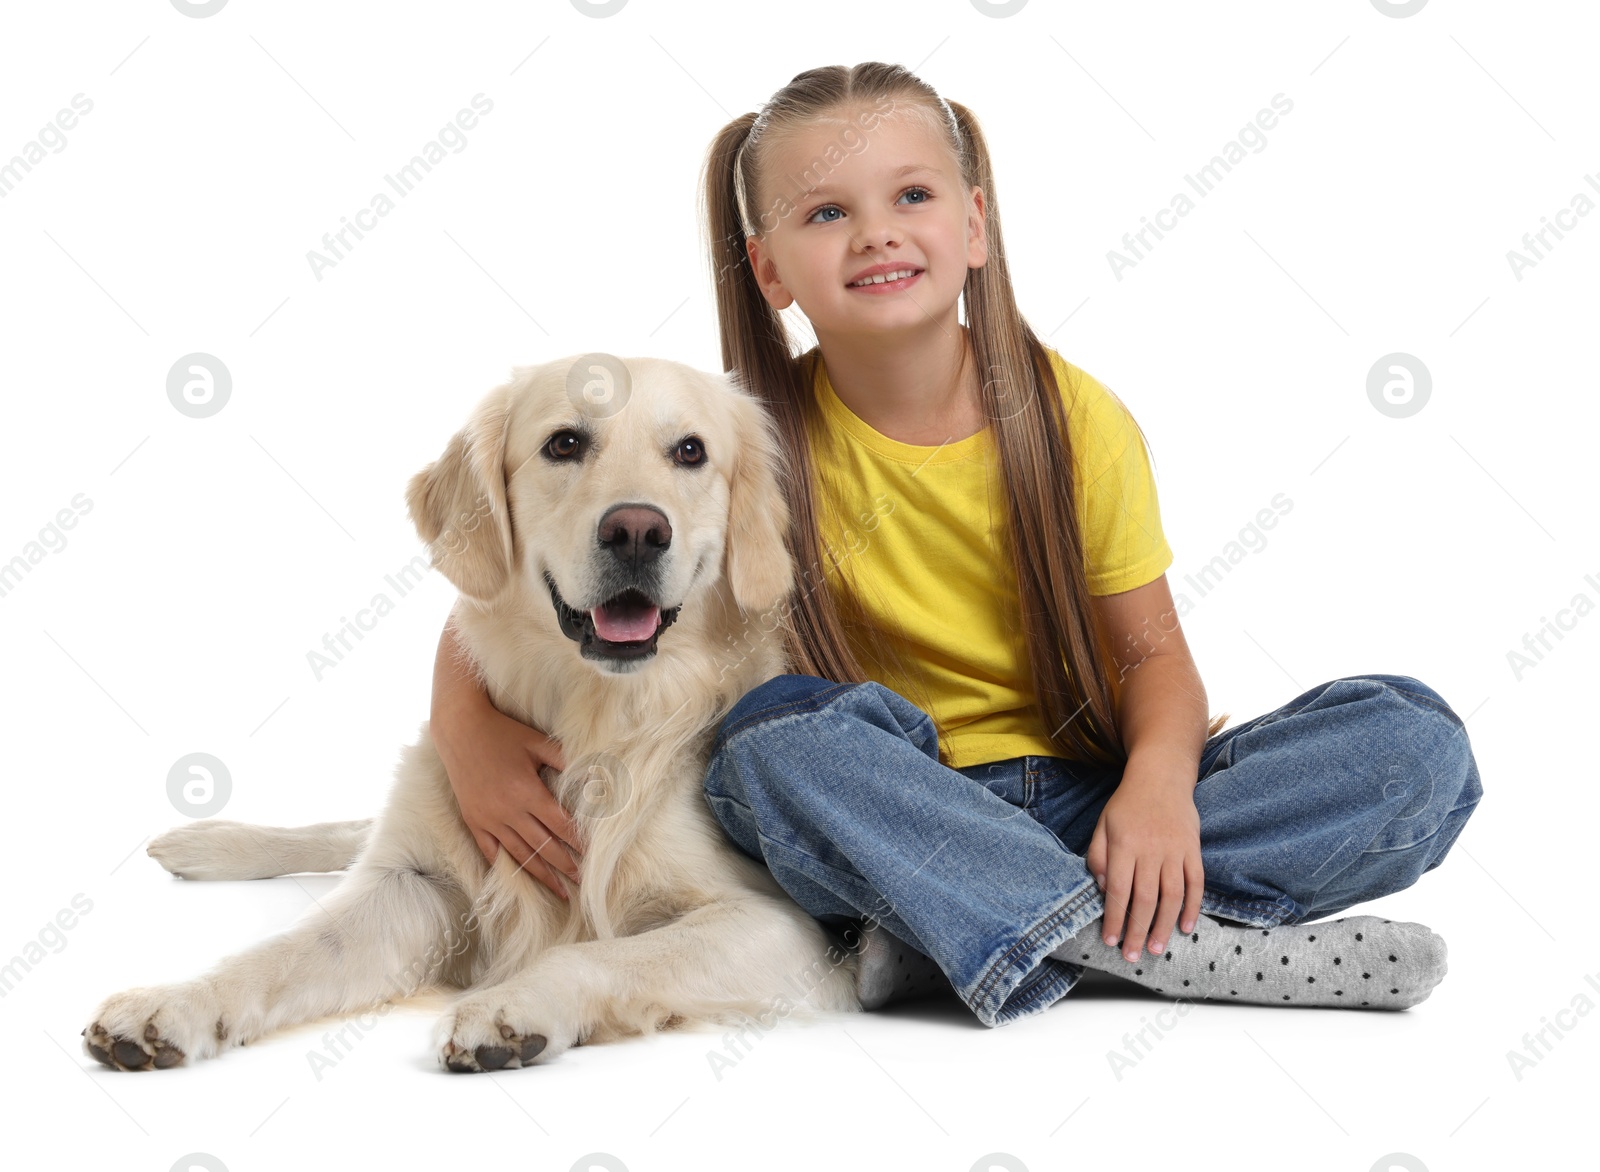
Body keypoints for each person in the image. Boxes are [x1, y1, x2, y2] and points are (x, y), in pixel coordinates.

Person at [430, 62, 1482, 1029]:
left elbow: (1150, 656)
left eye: (913, 197)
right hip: (874, 796)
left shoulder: (1077, 421)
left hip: (1085, 796)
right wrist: (464, 731)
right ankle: (1152, 946)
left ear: (975, 224)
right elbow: (549, 584)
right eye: (826, 211)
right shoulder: (738, 446)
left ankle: (957, 931)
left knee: (1413, 744)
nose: (875, 232)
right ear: (770, 268)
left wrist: (1158, 786)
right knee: (766, 744)